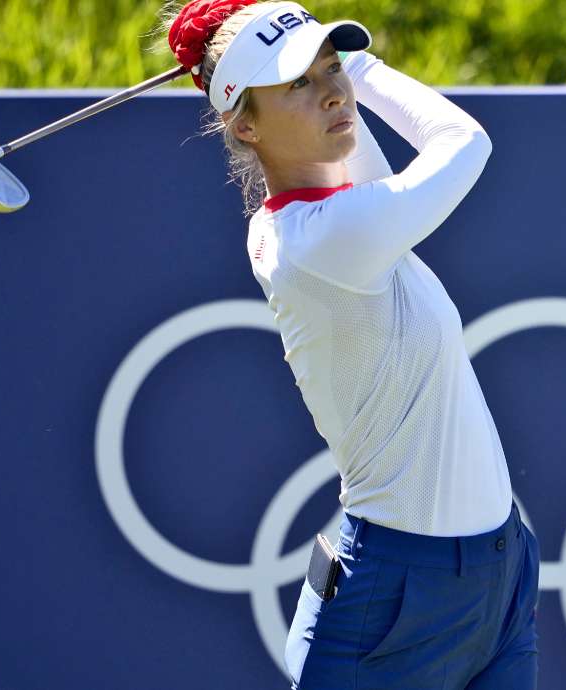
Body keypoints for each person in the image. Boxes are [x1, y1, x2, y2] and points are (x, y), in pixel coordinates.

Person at [162, 1, 540, 688]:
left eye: (331, 68)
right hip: (395, 599)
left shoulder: (329, 216)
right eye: (298, 84)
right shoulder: (321, 241)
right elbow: (466, 142)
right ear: (243, 124)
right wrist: (362, 67)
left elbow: (353, 157)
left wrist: (316, 65)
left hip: (500, 569)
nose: (333, 92)